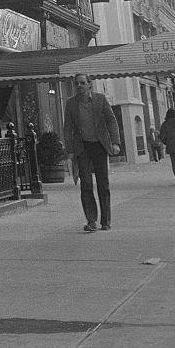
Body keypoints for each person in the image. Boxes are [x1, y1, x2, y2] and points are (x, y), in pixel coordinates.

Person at [63, 74, 121, 232]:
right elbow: (67, 128)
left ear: (89, 84)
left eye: (83, 83)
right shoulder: (71, 104)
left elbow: (111, 120)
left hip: (99, 146)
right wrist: (69, 151)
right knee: (86, 185)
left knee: (103, 184)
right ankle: (91, 220)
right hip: (82, 147)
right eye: (77, 84)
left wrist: (115, 142)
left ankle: (106, 221)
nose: (79, 86)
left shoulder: (100, 99)